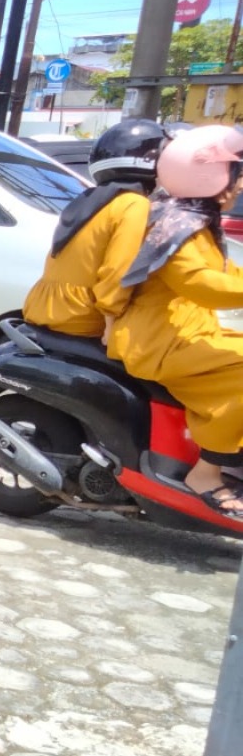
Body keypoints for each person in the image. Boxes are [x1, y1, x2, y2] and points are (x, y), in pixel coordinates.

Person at [111, 123, 243, 517]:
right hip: (159, 339)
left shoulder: (193, 219)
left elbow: (224, 275)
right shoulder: (178, 225)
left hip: (187, 327)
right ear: (213, 178)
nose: (238, 188)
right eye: (236, 178)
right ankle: (206, 472)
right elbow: (197, 283)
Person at [21, 119, 167, 340]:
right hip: (83, 318)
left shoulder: (92, 199)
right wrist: (111, 325)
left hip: (46, 307)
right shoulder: (133, 204)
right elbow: (118, 271)